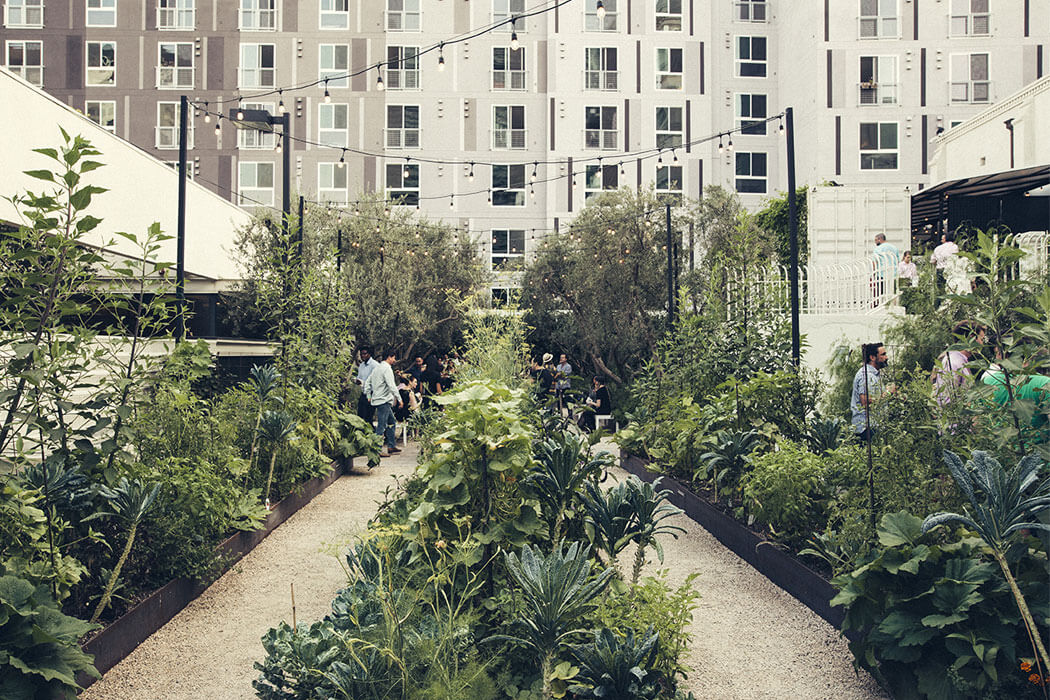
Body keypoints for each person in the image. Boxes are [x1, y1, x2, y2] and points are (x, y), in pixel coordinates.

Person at [932, 321, 984, 407]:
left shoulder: (961, 360)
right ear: (971, 338)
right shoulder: (953, 362)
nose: (982, 344)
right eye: (981, 339)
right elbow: (946, 398)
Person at [364, 349, 402, 458]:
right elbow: (392, 385)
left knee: (391, 422)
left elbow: (367, 382)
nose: (394, 360)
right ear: (389, 357)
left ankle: (391, 446)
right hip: (383, 401)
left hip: (379, 400)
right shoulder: (387, 368)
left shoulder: (377, 368)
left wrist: (368, 395)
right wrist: (399, 399)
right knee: (382, 425)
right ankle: (377, 449)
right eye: (394, 358)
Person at [851, 342, 887, 442]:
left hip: (873, 427)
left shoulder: (875, 375)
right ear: (872, 357)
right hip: (866, 429)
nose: (886, 357)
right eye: (883, 355)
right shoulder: (866, 375)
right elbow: (865, 402)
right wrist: (888, 394)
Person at [872, 234, 901, 302]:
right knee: (893, 291)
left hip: (881, 273)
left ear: (880, 239)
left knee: (881, 292)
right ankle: (893, 304)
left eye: (876, 240)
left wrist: (873, 273)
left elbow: (875, 262)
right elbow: (897, 261)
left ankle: (882, 303)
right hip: (893, 273)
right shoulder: (894, 248)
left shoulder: (878, 249)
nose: (875, 242)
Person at [354, 347, 379, 423]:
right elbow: (359, 377)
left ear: (369, 354)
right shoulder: (361, 365)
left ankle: (371, 429)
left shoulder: (375, 365)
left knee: (368, 416)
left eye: (365, 354)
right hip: (364, 392)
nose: (363, 356)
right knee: (360, 415)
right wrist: (357, 381)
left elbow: (376, 381)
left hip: (371, 393)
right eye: (361, 354)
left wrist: (364, 383)